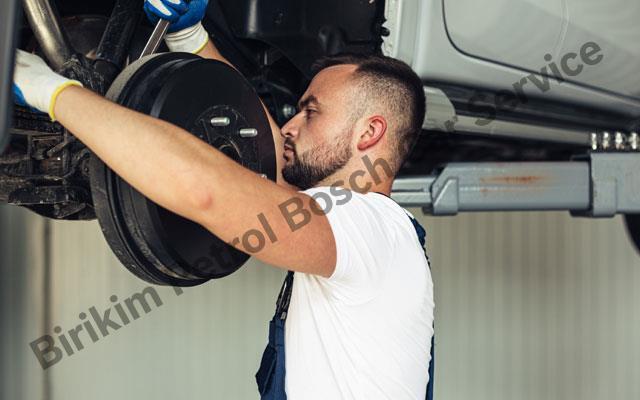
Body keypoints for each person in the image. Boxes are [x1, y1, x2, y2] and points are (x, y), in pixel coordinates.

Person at [12, 0, 434, 398]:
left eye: (311, 112)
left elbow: (209, 191)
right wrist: (190, 37)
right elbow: (271, 164)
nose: (289, 126)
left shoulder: (372, 227)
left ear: (369, 133)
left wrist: (55, 94)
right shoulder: (367, 231)